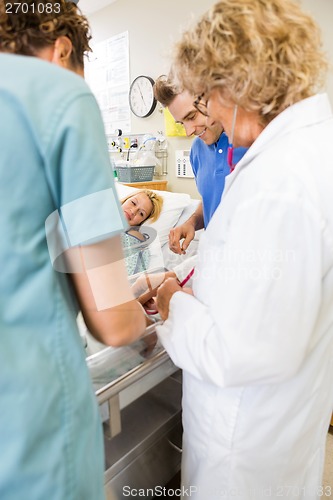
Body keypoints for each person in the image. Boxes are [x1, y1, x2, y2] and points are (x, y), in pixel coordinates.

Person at [155, 1, 333, 498]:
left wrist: (173, 304)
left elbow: (242, 352)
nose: (206, 112)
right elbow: (258, 278)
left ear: (240, 83)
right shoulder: (308, 147)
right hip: (280, 428)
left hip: (243, 447)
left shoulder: (278, 183)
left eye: (207, 96)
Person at [0, 1, 147, 499]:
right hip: (29, 427)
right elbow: (110, 318)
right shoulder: (59, 97)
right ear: (63, 48)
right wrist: (144, 306)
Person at [154, 75, 247, 255]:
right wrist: (192, 222)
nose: (188, 131)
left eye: (192, 116)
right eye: (182, 123)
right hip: (220, 262)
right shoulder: (197, 151)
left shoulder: (251, 141)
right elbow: (211, 201)